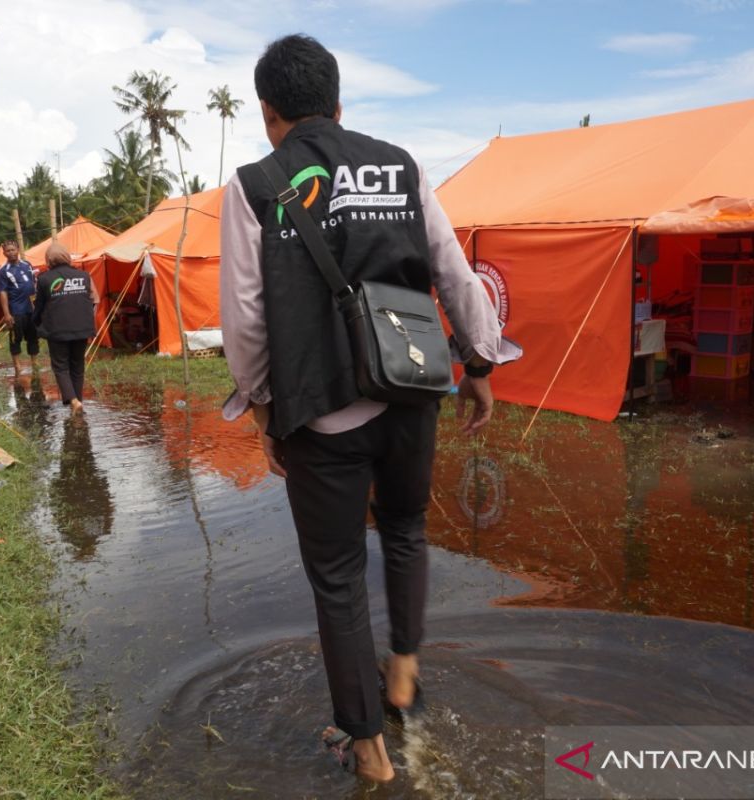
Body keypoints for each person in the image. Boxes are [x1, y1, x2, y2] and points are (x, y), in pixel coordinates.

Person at [220, 34, 520, 782]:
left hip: (322, 411)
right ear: (339, 102)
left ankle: (369, 752)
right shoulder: (401, 164)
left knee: (338, 575)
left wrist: (261, 407)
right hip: (414, 394)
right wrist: (478, 362)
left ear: (267, 112)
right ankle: (403, 673)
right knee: (409, 529)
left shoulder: (256, 184)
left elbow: (246, 319)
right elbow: (454, 271)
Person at [33, 242, 98, 415]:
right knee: (77, 366)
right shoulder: (84, 276)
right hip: (82, 328)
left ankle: (74, 401)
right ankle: (77, 401)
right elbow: (93, 300)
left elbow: (39, 306)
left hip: (57, 329)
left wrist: (36, 324)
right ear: (67, 257)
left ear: (48, 259)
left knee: (61, 366)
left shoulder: (44, 279)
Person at [0, 240, 39, 374]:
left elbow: (34, 283)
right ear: (4, 253)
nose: (11, 253)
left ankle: (34, 362)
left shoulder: (27, 265)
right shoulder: (3, 271)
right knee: (16, 338)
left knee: (33, 336)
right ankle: (17, 365)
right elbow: (2, 292)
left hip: (31, 308)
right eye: (8, 251)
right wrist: (7, 314)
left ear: (18, 250)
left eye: (13, 250)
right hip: (16, 309)